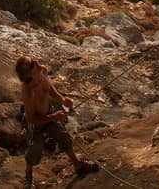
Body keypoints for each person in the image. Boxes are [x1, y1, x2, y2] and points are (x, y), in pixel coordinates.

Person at [15, 55, 99, 186]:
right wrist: (54, 117)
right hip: (35, 124)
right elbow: (31, 119)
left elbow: (50, 89)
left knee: (63, 137)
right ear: (29, 74)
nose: (36, 62)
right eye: (32, 64)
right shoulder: (28, 92)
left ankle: (77, 165)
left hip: (49, 113)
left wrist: (63, 100)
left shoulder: (41, 71)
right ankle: (28, 175)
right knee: (35, 149)